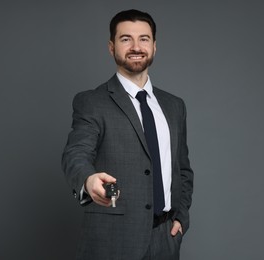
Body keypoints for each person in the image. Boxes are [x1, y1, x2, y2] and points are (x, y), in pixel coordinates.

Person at [61, 9, 194, 260]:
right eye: (125, 39)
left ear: (154, 46)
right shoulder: (92, 102)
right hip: (113, 240)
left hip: (166, 240)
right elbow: (75, 154)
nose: (136, 46)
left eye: (143, 39)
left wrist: (181, 218)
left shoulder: (175, 106)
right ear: (112, 47)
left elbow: (182, 169)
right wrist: (88, 181)